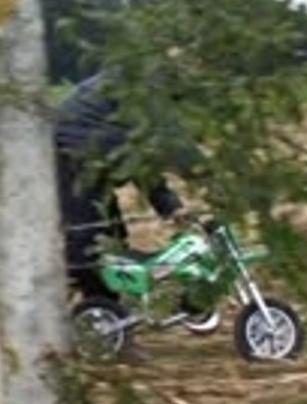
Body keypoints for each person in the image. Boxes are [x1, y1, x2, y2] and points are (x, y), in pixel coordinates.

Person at [54, 72, 203, 361]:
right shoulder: (151, 84)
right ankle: (97, 330)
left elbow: (140, 157)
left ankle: (101, 327)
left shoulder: (143, 79)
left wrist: (170, 206)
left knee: (111, 239)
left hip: (92, 151)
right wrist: (215, 178)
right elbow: (167, 147)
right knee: (91, 244)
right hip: (74, 150)